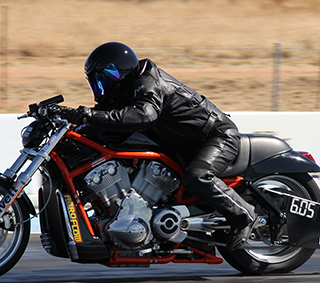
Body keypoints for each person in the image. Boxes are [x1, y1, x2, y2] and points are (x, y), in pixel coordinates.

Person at [64, 42, 256, 251]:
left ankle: (244, 216)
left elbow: (144, 115)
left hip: (214, 136)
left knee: (197, 176)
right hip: (181, 144)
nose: (102, 87)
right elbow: (102, 117)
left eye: (105, 79)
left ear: (120, 72)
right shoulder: (124, 92)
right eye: (96, 82)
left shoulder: (147, 83)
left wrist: (88, 115)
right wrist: (66, 115)